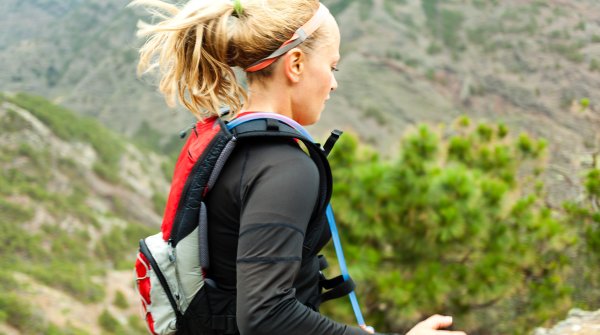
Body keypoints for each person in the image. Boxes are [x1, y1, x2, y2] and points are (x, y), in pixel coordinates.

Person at [134, 0, 467, 334]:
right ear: (295, 64)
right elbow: (266, 315)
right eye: (332, 67)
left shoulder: (233, 142)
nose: (334, 84)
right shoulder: (284, 168)